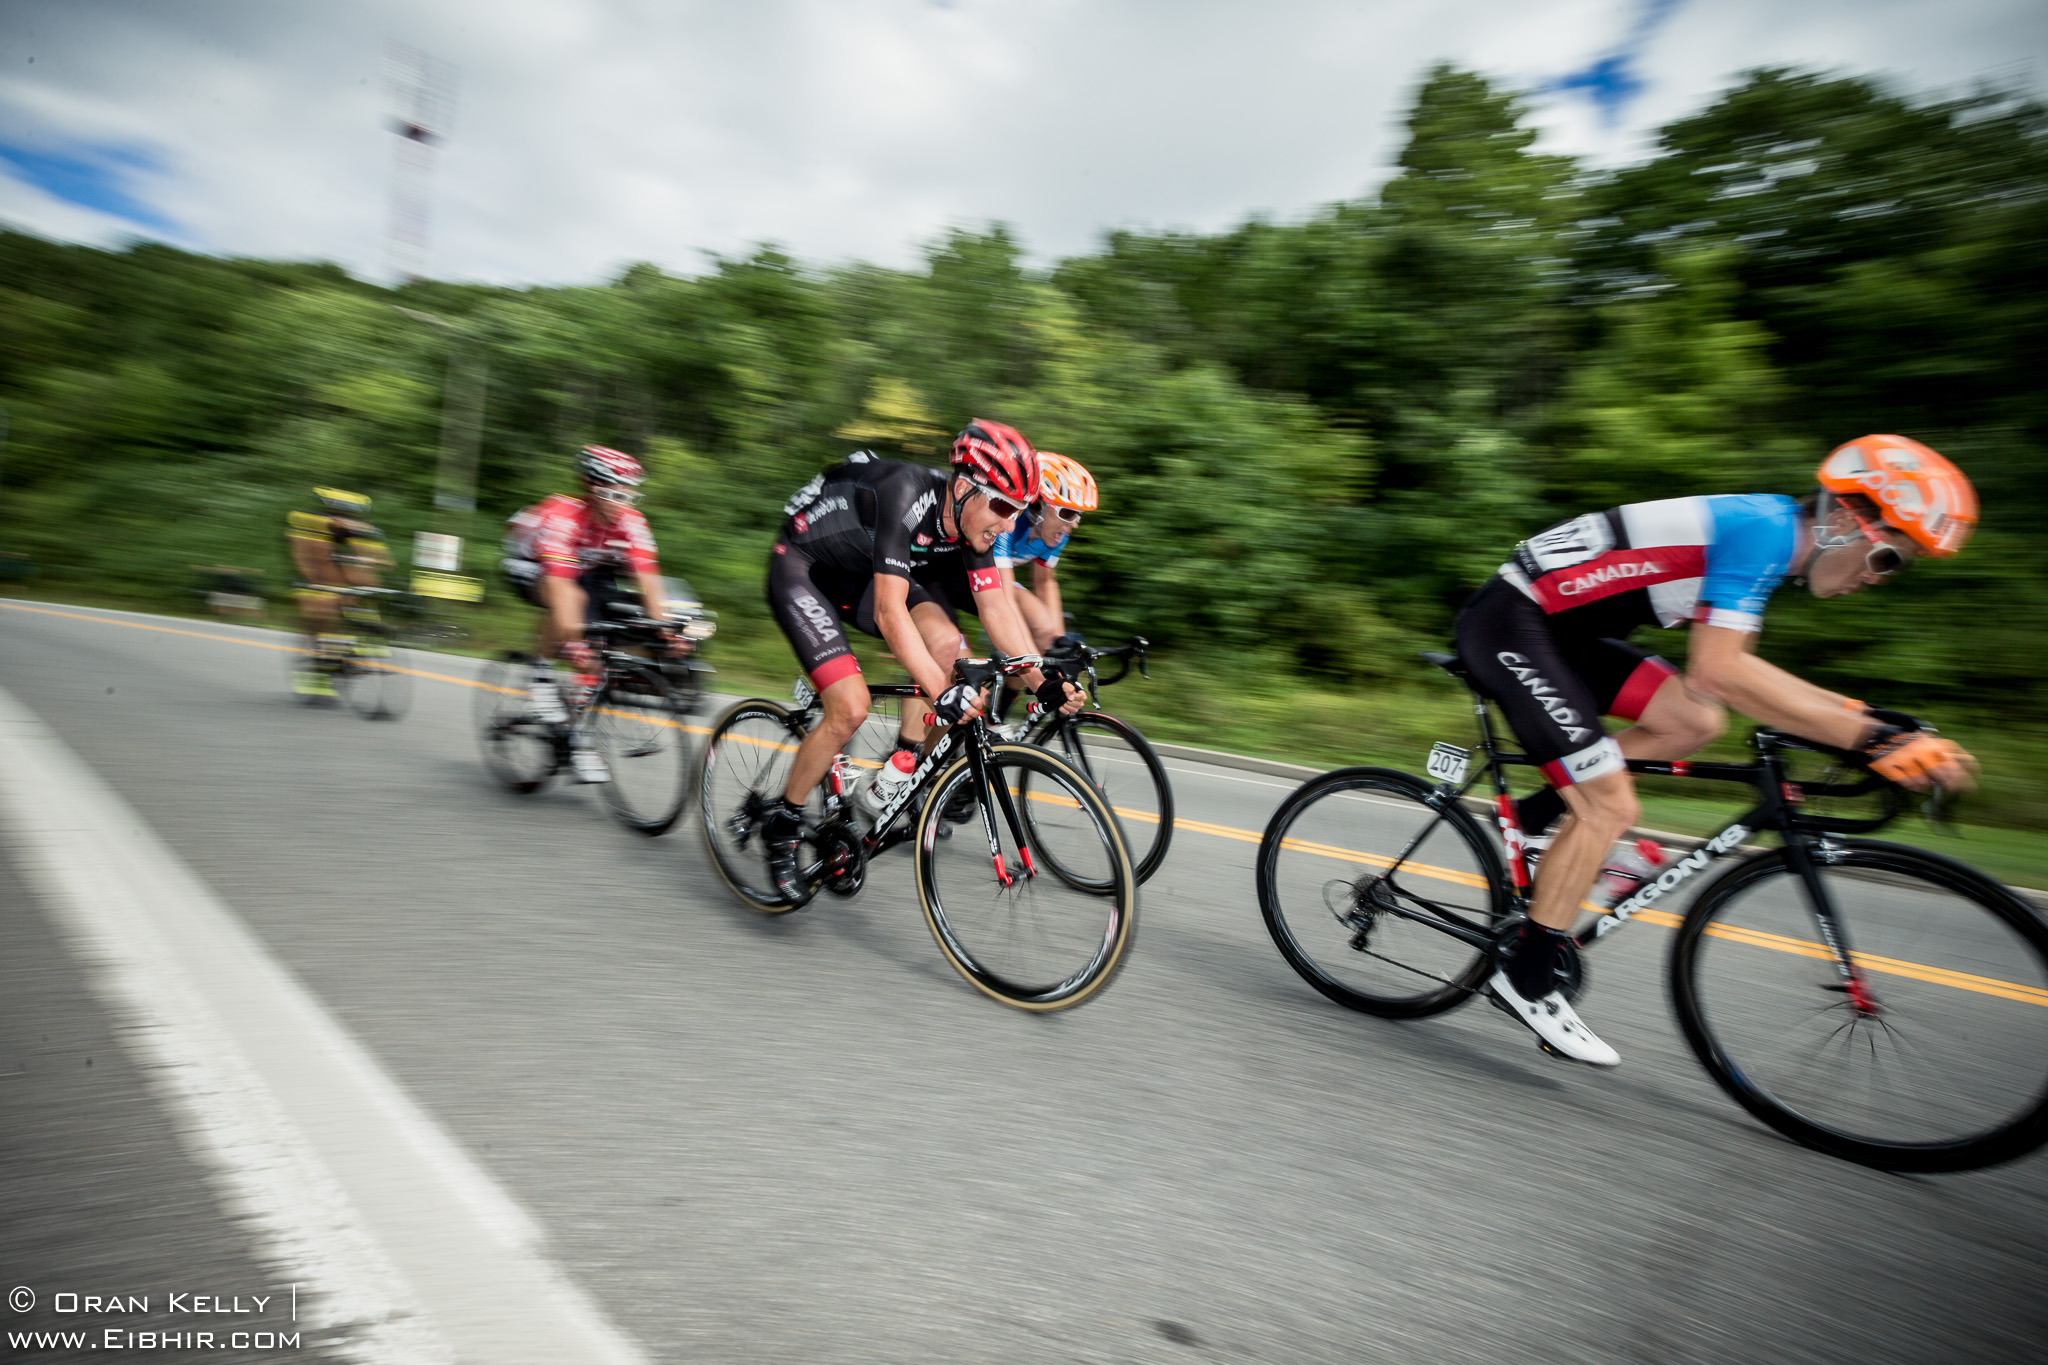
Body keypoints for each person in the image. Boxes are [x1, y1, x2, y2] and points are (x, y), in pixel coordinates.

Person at [1450, 434, 1980, 1066]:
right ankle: (1528, 978)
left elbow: (1723, 679)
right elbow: (1723, 668)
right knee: (1609, 808)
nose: (1878, 576)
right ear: (1844, 518)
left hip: (1563, 634)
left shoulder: (1773, 537)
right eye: (1890, 557)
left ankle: (1536, 820)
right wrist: (1869, 739)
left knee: (1695, 718)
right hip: (1513, 623)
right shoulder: (1763, 535)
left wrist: (1866, 722)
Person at [761, 420, 1085, 903]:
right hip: (804, 568)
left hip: (858, 577)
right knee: (849, 708)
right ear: (963, 487)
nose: (1010, 523)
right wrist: (942, 691)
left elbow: (996, 608)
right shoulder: (904, 493)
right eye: (1001, 506)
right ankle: (782, 826)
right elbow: (893, 614)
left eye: (1019, 511)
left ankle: (904, 767)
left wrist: (1040, 683)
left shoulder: (971, 525)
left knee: (950, 645)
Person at [501, 445, 676, 783]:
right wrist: (576, 644)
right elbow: (562, 588)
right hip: (530, 565)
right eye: (613, 494)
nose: (623, 504)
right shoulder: (561, 517)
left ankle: (579, 738)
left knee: (608, 634)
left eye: (629, 496)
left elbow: (648, 581)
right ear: (592, 490)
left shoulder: (631, 521)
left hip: (585, 567)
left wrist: (666, 629)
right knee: (570, 605)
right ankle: (539, 674)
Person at [286, 487, 391, 698]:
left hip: (336, 566)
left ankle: (361, 629)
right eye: (339, 514)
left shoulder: (361, 528)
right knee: (322, 602)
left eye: (350, 515)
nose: (345, 518)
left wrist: (373, 563)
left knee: (363, 579)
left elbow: (380, 561)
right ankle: (319, 668)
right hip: (312, 568)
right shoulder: (307, 520)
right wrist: (320, 586)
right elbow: (307, 560)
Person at [992, 452, 1097, 653]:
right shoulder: (1008, 523)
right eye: (1067, 513)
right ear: (1038, 504)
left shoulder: (1057, 533)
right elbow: (1005, 599)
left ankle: (1016, 684)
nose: (1074, 524)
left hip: (991, 580)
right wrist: (1032, 659)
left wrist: (1060, 644)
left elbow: (1045, 582)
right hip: (954, 574)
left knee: (1046, 631)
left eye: (1078, 515)